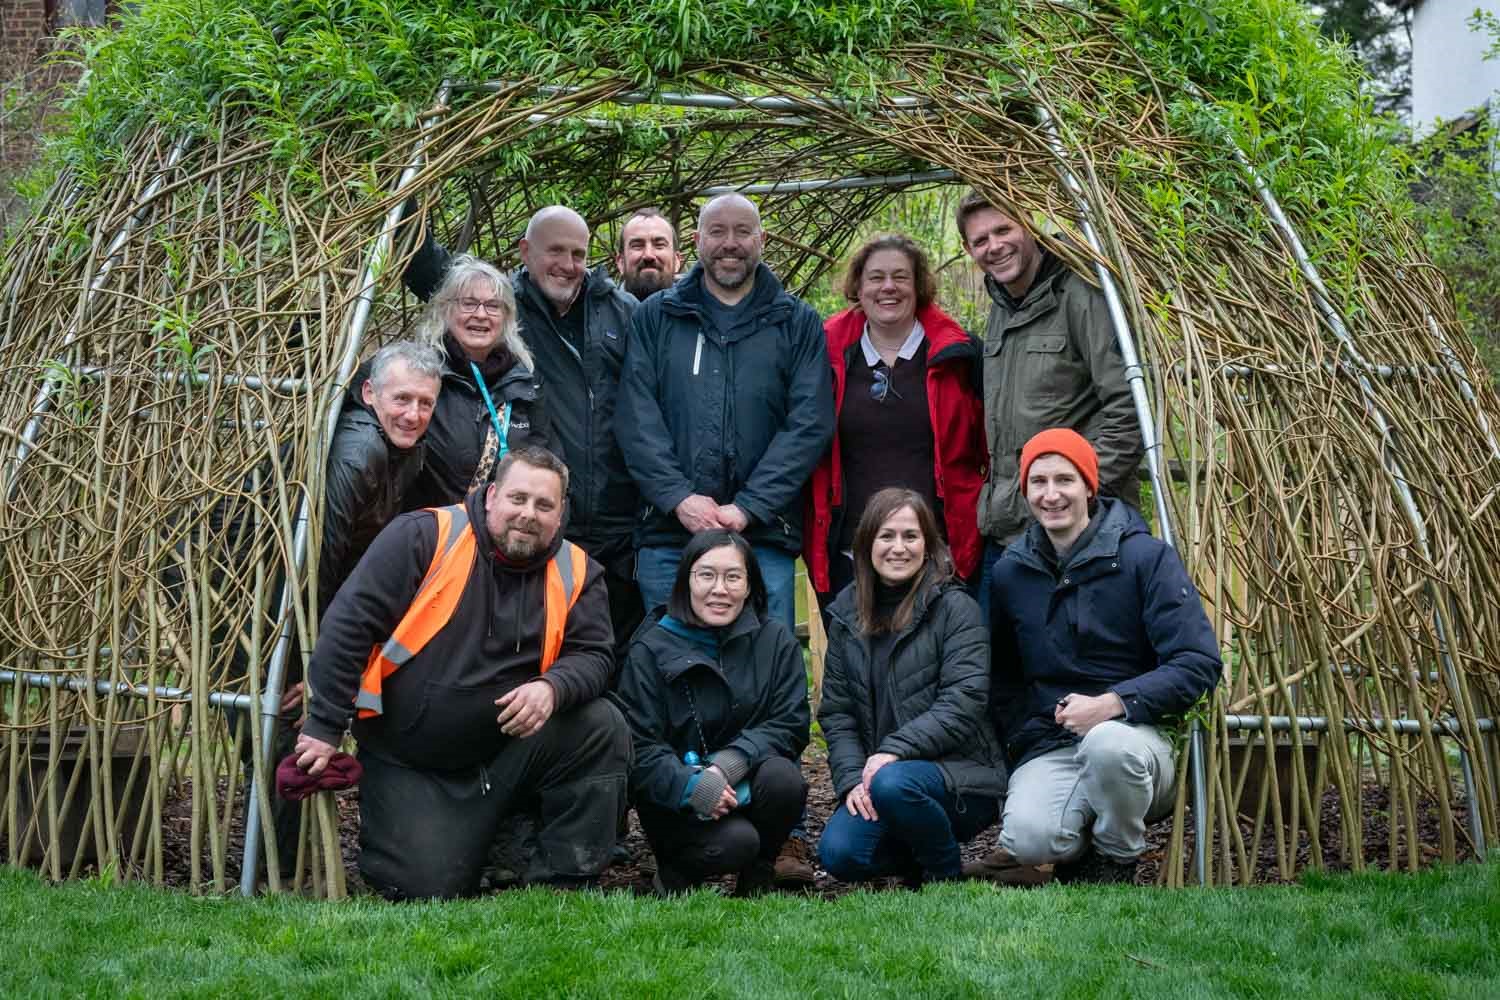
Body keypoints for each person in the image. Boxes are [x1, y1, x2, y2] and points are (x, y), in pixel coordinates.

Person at [293, 446, 629, 900]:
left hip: (509, 755)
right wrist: (324, 724)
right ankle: (485, 843)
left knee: (602, 726)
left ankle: (561, 883)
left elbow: (595, 655)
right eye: (518, 498)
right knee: (423, 889)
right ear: (490, 496)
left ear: (561, 512)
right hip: (410, 760)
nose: (528, 514)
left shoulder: (577, 570)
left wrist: (552, 688)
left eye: (544, 505)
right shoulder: (424, 536)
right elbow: (349, 626)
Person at [966, 429, 1220, 885]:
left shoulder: (1146, 559)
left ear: (1089, 485)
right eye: (1037, 482)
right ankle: (1079, 838)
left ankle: (1115, 856)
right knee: (1027, 840)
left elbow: (1197, 662)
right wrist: (1025, 737)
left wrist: (1112, 704)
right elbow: (1003, 677)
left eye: (1064, 479)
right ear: (1025, 492)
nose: (1051, 495)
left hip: (1135, 739)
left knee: (1107, 745)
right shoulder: (1011, 572)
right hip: (1053, 742)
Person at [405, 206, 645, 656]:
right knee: (545, 646)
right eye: (555, 251)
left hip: (620, 523)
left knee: (613, 651)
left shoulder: (621, 311)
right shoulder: (503, 309)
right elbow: (425, 268)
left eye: (578, 253)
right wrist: (404, 188)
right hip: (546, 523)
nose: (567, 264)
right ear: (525, 252)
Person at [619, 192, 833, 631]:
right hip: (669, 536)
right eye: (717, 232)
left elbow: (809, 423)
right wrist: (679, 499)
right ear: (697, 240)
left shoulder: (797, 322)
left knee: (762, 668)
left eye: (742, 232)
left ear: (763, 239)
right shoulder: (656, 318)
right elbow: (636, 419)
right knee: (671, 669)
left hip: (764, 538)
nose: (729, 243)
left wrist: (750, 505)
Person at [955, 191, 1143, 620]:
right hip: (1011, 531)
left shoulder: (1082, 294)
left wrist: (1075, 496)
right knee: (1000, 672)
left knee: (1089, 669)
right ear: (968, 250)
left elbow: (1127, 409)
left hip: (1081, 534)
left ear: (1029, 226)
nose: (994, 246)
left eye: (1004, 230)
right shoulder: (1000, 305)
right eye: (980, 240)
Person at [816, 489, 1005, 886]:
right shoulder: (846, 614)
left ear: (928, 545)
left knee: (895, 783)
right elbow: (838, 713)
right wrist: (852, 780)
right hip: (879, 778)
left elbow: (964, 701)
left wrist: (892, 752)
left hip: (960, 776)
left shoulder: (956, 608)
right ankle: (913, 861)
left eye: (910, 536)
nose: (898, 547)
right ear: (867, 544)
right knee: (839, 854)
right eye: (886, 536)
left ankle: (943, 872)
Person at [613, 530, 810, 896]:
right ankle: (673, 874)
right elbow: (639, 747)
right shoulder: (650, 648)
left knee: (785, 780)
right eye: (706, 575)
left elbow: (790, 723)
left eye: (733, 577)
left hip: (748, 783)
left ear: (750, 586)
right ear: (685, 580)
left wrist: (730, 763)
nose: (719, 589)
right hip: (675, 798)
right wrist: (691, 785)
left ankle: (758, 874)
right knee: (737, 842)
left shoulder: (775, 641)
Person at [804, 234, 986, 615]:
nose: (888, 287)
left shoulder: (958, 356)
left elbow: (984, 447)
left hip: (937, 552)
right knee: (858, 666)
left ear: (918, 285)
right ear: (857, 286)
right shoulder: (824, 355)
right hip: (849, 553)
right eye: (876, 277)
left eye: (901, 277)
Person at [404, 255, 553, 508]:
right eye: (469, 304)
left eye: (493, 306)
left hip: (500, 536)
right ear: (445, 309)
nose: (481, 315)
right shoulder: (418, 371)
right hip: (430, 533)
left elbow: (546, 461)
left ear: (507, 317)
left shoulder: (525, 380)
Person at [319, 340, 444, 617]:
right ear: (369, 393)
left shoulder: (408, 447)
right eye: (402, 399)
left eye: (426, 403)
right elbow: (319, 558)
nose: (413, 415)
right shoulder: (360, 451)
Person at [615, 207, 683, 301]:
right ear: (621, 263)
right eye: (637, 246)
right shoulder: (598, 313)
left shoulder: (700, 312)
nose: (648, 255)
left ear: (676, 261)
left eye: (659, 245)